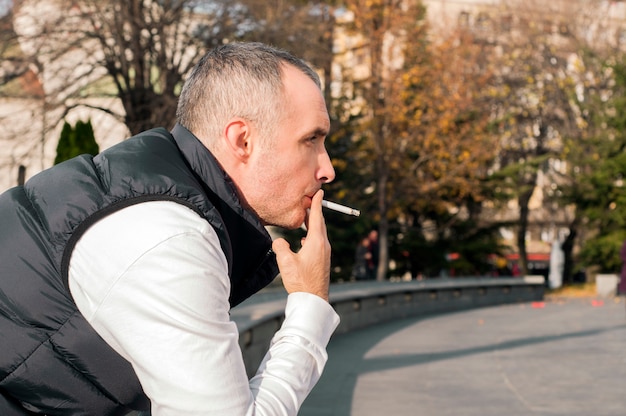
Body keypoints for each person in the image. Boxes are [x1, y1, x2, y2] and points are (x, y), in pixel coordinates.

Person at [0, 42, 340, 415]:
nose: (327, 169)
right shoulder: (169, 238)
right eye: (311, 140)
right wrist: (310, 307)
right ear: (243, 140)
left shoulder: (148, 192)